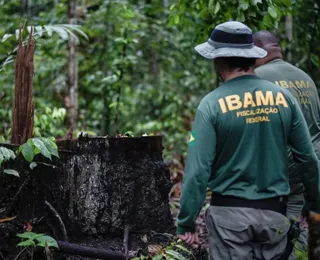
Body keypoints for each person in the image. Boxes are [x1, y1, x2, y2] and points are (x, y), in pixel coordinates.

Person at [176, 21, 320, 260]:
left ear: (218, 61)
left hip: (228, 222)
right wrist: (314, 203)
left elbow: (198, 171)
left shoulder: (210, 105)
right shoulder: (283, 98)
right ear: (252, 57)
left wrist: (186, 223)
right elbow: (307, 157)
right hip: (276, 216)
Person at [253, 30, 320, 257]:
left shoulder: (258, 79)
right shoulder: (305, 78)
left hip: (280, 168)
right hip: (311, 163)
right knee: (299, 220)